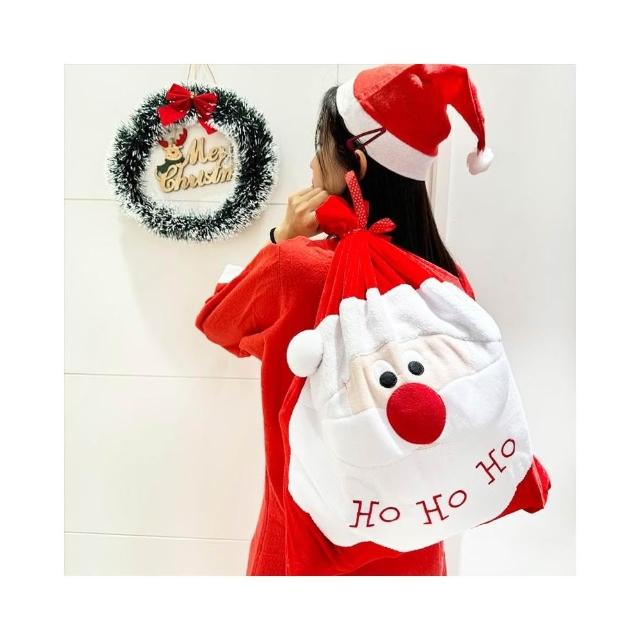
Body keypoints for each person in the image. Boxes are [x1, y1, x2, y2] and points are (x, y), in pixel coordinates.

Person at [195, 64, 492, 575]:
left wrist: (280, 239)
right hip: (414, 547)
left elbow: (218, 322)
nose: (312, 164)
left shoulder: (294, 268)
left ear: (356, 161)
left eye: (321, 148)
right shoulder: (448, 282)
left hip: (302, 549)